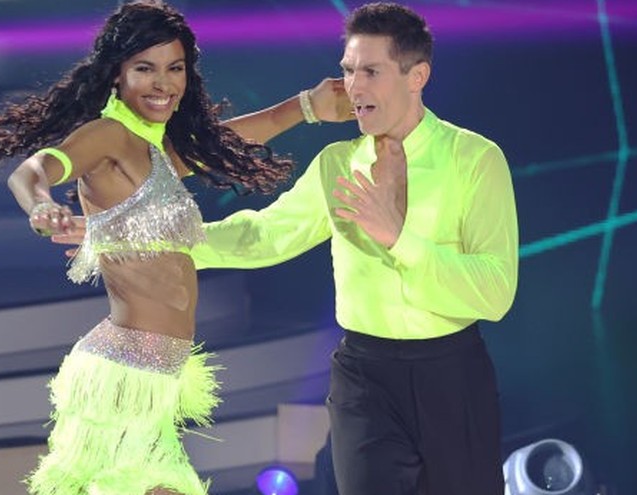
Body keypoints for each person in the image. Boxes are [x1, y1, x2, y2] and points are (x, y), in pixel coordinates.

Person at [0, 2, 350, 494]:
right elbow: (32, 170)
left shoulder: (151, 147)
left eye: (174, 68)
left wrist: (306, 107)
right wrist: (40, 206)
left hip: (154, 376)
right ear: (117, 74)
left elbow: (226, 139)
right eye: (145, 68)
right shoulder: (108, 135)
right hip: (124, 374)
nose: (163, 83)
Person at [189, 3, 519, 495]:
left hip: (452, 375)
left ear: (417, 76)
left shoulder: (474, 159)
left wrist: (400, 239)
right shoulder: (336, 163)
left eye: (371, 71)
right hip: (365, 377)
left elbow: (495, 293)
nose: (354, 87)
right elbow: (264, 235)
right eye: (347, 69)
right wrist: (145, 237)